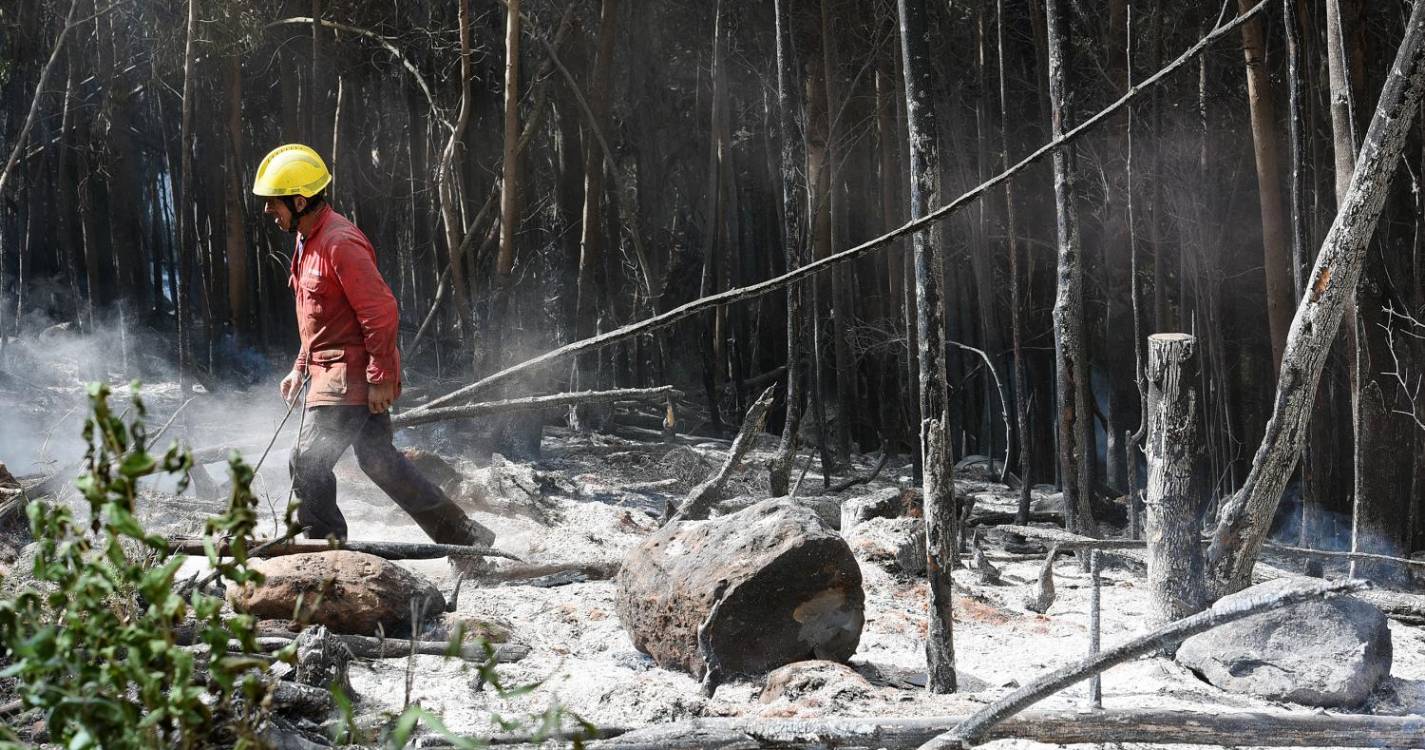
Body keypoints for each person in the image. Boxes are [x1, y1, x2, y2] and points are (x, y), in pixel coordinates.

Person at [252, 143, 494, 552]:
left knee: (307, 461)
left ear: (298, 200)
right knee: (380, 462)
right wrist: (299, 366)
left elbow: (380, 310)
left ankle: (321, 552)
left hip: (349, 380)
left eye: (272, 203)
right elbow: (319, 321)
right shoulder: (306, 242)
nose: (267, 211)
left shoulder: (339, 242)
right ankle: (465, 537)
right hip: (330, 373)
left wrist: (381, 376)